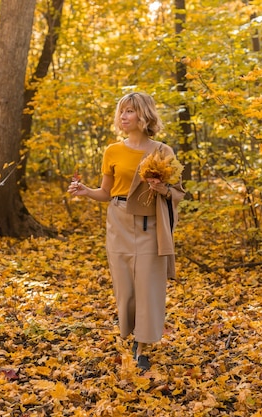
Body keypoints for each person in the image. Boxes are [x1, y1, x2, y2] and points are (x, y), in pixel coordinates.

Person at [68, 92, 185, 371]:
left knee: (148, 286)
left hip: (150, 225)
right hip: (118, 221)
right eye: (121, 111)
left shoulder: (163, 151)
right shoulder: (112, 151)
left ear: (144, 115)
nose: (123, 117)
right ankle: (131, 332)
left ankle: (142, 346)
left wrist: (162, 189)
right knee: (126, 289)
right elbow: (106, 192)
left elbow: (178, 194)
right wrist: (86, 192)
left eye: (130, 111)